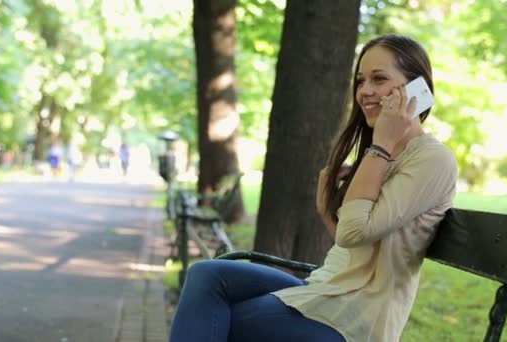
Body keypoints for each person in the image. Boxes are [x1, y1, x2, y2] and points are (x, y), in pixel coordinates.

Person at [169, 34, 458, 342]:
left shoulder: (431, 159)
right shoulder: (381, 152)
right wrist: (328, 216)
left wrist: (381, 145)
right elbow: (356, 247)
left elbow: (353, 235)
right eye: (361, 81)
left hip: (358, 317)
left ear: (418, 87)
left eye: (379, 78)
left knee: (221, 321)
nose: (366, 91)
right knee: (206, 276)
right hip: (324, 289)